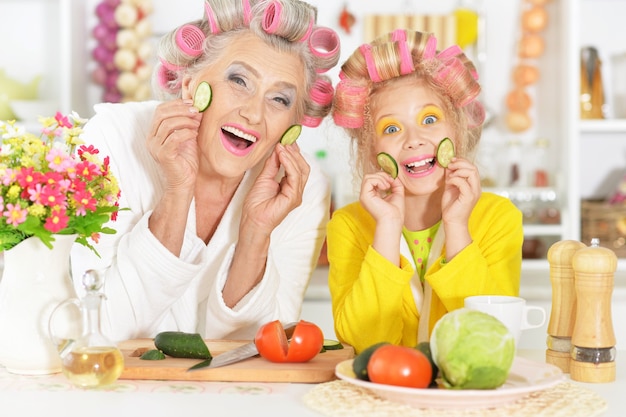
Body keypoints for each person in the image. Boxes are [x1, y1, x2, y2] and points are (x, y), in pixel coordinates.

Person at [71, 0, 341, 342]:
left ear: (293, 124)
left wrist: (256, 233)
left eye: (280, 100)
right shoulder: (112, 140)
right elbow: (101, 329)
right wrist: (177, 193)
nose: (254, 114)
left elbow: (262, 345)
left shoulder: (302, 189)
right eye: (239, 80)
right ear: (190, 85)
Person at [328, 29, 523, 353]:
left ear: (457, 131)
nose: (414, 139)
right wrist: (387, 227)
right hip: (384, 395)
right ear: (370, 148)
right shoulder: (348, 225)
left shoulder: (499, 218)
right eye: (391, 128)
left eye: (429, 119)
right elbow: (362, 343)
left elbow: (493, 337)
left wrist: (458, 227)